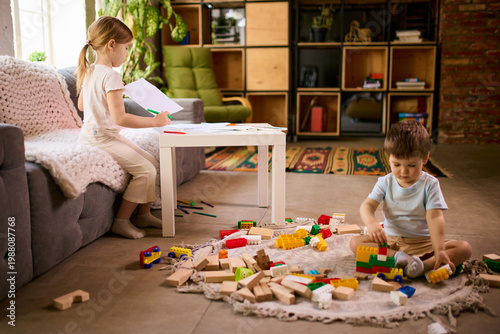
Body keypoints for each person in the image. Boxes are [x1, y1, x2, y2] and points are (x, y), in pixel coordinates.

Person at [75, 16, 171, 239]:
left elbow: (81, 105)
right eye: (126, 48)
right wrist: (154, 122)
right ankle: (121, 221)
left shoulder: (90, 71)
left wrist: (111, 93)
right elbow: (120, 118)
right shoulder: (111, 75)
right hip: (101, 139)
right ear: (111, 45)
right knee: (146, 170)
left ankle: (144, 214)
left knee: (152, 161)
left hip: (96, 135)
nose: (127, 54)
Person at [349, 120, 472, 278]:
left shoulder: (430, 184)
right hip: (391, 241)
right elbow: (367, 206)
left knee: (464, 248)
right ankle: (400, 258)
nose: (403, 171)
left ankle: (423, 265)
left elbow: (435, 217)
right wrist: (371, 223)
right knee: (354, 243)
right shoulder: (385, 182)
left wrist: (440, 250)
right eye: (397, 164)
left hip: (423, 243)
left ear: (425, 158)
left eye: (412, 165)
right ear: (389, 159)